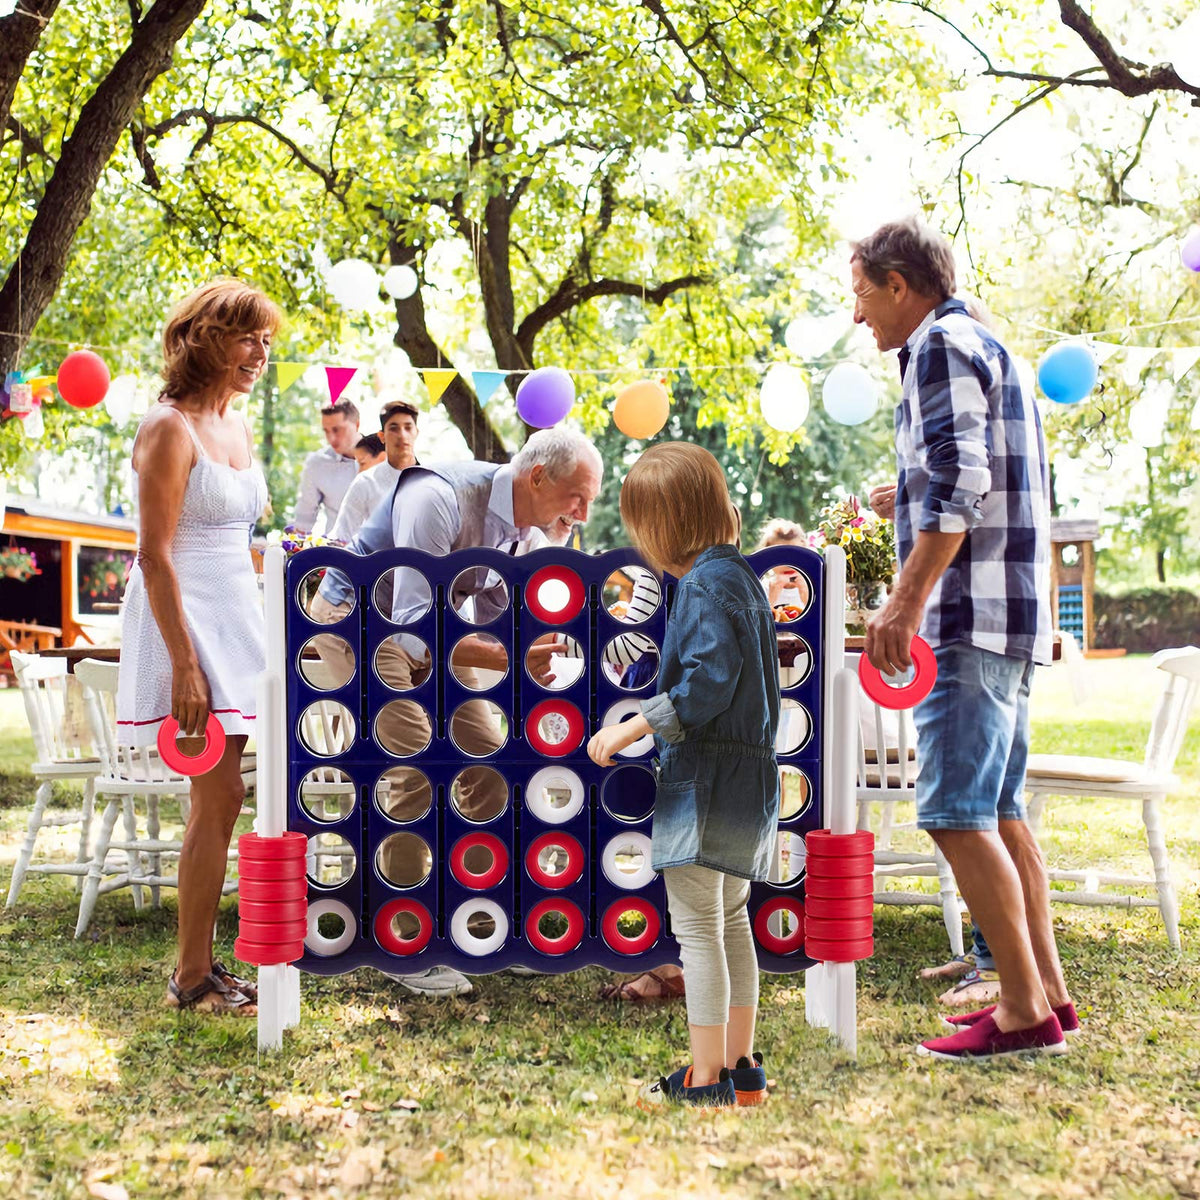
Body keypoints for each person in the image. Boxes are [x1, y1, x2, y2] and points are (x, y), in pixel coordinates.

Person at [851, 216, 1073, 1059]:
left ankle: (1020, 1011)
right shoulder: (989, 344)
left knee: (952, 812)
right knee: (1003, 814)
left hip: (966, 619)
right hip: (1011, 617)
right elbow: (972, 475)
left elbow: (960, 486)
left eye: (865, 295)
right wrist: (901, 495)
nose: (859, 315)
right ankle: (1047, 993)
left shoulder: (941, 346)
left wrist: (903, 604)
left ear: (901, 285)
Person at [309, 426, 603, 997]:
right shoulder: (436, 495)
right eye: (579, 498)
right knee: (416, 763)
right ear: (537, 477)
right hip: (356, 623)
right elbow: (413, 625)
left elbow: (492, 624)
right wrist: (511, 653)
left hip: (423, 633)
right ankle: (401, 942)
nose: (584, 515)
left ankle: (476, 930)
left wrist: (529, 658)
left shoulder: (523, 531)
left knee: (489, 766)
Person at [587, 443, 781, 1108]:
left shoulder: (700, 585)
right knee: (730, 921)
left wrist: (630, 727)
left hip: (705, 781)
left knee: (698, 927)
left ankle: (703, 1079)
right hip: (749, 778)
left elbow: (705, 685)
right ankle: (740, 1070)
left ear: (665, 526)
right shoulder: (743, 580)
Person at [115, 278, 281, 1016]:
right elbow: (154, 555)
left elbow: (238, 544)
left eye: (266, 342)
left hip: (236, 619)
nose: (259, 354)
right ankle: (189, 977)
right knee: (217, 793)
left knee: (228, 795)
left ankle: (203, 968)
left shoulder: (237, 429)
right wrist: (184, 663)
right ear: (205, 337)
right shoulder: (167, 427)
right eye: (248, 338)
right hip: (182, 623)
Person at [329, 401, 420, 544]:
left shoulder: (433, 482)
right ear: (382, 436)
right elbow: (341, 537)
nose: (402, 435)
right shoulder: (365, 483)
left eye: (408, 428)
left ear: (416, 432)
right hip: (376, 564)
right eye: (394, 428)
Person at [290, 398, 360, 534]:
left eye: (337, 430)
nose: (331, 438)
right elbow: (303, 521)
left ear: (357, 425)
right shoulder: (317, 464)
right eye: (326, 431)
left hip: (382, 551)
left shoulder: (383, 458)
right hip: (338, 551)